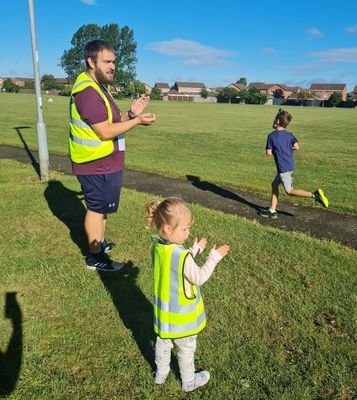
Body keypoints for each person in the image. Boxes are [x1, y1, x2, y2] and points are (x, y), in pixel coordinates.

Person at [69, 39, 156, 271]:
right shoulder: (87, 91)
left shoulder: (98, 87)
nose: (112, 66)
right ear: (91, 61)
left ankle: (100, 243)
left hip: (105, 163)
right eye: (107, 61)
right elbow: (105, 131)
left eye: (114, 61)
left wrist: (130, 113)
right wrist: (137, 121)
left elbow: (112, 121)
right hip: (94, 163)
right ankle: (94, 257)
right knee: (96, 209)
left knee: (102, 209)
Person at [145, 197, 230, 392]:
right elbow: (198, 277)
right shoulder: (182, 256)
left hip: (164, 316)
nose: (188, 233)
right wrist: (214, 257)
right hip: (182, 318)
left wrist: (195, 249)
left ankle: (161, 375)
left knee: (163, 344)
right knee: (186, 349)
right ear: (168, 229)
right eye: (185, 229)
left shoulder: (158, 247)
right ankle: (189, 382)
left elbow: (177, 264)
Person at [259, 109, 329, 219]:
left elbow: (268, 153)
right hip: (290, 165)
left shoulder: (271, 136)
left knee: (289, 191)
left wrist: (272, 149)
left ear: (277, 121)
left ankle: (315, 195)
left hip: (283, 168)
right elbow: (297, 147)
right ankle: (272, 210)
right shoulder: (289, 134)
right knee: (274, 185)